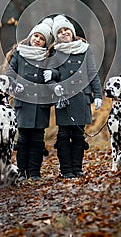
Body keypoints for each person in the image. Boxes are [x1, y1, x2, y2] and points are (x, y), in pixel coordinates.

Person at [44, 15, 103, 179]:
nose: (64, 33)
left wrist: (98, 95)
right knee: (63, 135)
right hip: (64, 100)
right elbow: (49, 77)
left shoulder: (85, 49)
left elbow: (92, 73)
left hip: (82, 98)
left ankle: (77, 169)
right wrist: (55, 88)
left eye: (66, 30)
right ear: (57, 36)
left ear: (72, 31)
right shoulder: (54, 52)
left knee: (78, 135)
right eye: (60, 32)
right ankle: (66, 170)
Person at [5, 18, 56, 181]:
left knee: (37, 139)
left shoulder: (48, 57)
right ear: (30, 36)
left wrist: (53, 77)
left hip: (41, 103)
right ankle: (21, 171)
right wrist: (14, 85)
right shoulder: (19, 53)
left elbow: (56, 72)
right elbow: (10, 73)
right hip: (23, 102)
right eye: (36, 36)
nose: (37, 40)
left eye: (41, 39)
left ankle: (34, 172)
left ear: (45, 42)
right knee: (23, 138)